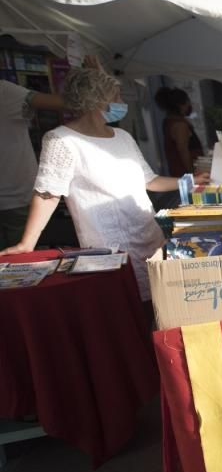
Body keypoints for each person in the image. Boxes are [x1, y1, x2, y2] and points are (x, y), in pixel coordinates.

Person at [1, 67, 206, 304]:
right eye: (116, 96)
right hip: (109, 250)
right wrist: (27, 242)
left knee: (161, 303)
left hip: (151, 238)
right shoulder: (62, 140)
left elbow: (149, 181)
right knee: (127, 306)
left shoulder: (122, 136)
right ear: (96, 100)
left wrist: (189, 181)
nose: (122, 102)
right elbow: (48, 193)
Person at [0, 77, 67, 249]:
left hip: (15, 197)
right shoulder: (6, 91)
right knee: (20, 260)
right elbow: (66, 103)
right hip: (16, 198)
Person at [155, 86, 204, 177]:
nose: (190, 104)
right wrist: (192, 173)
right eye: (188, 101)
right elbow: (183, 150)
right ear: (182, 105)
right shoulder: (179, 125)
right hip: (184, 173)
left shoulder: (171, 121)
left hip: (180, 172)